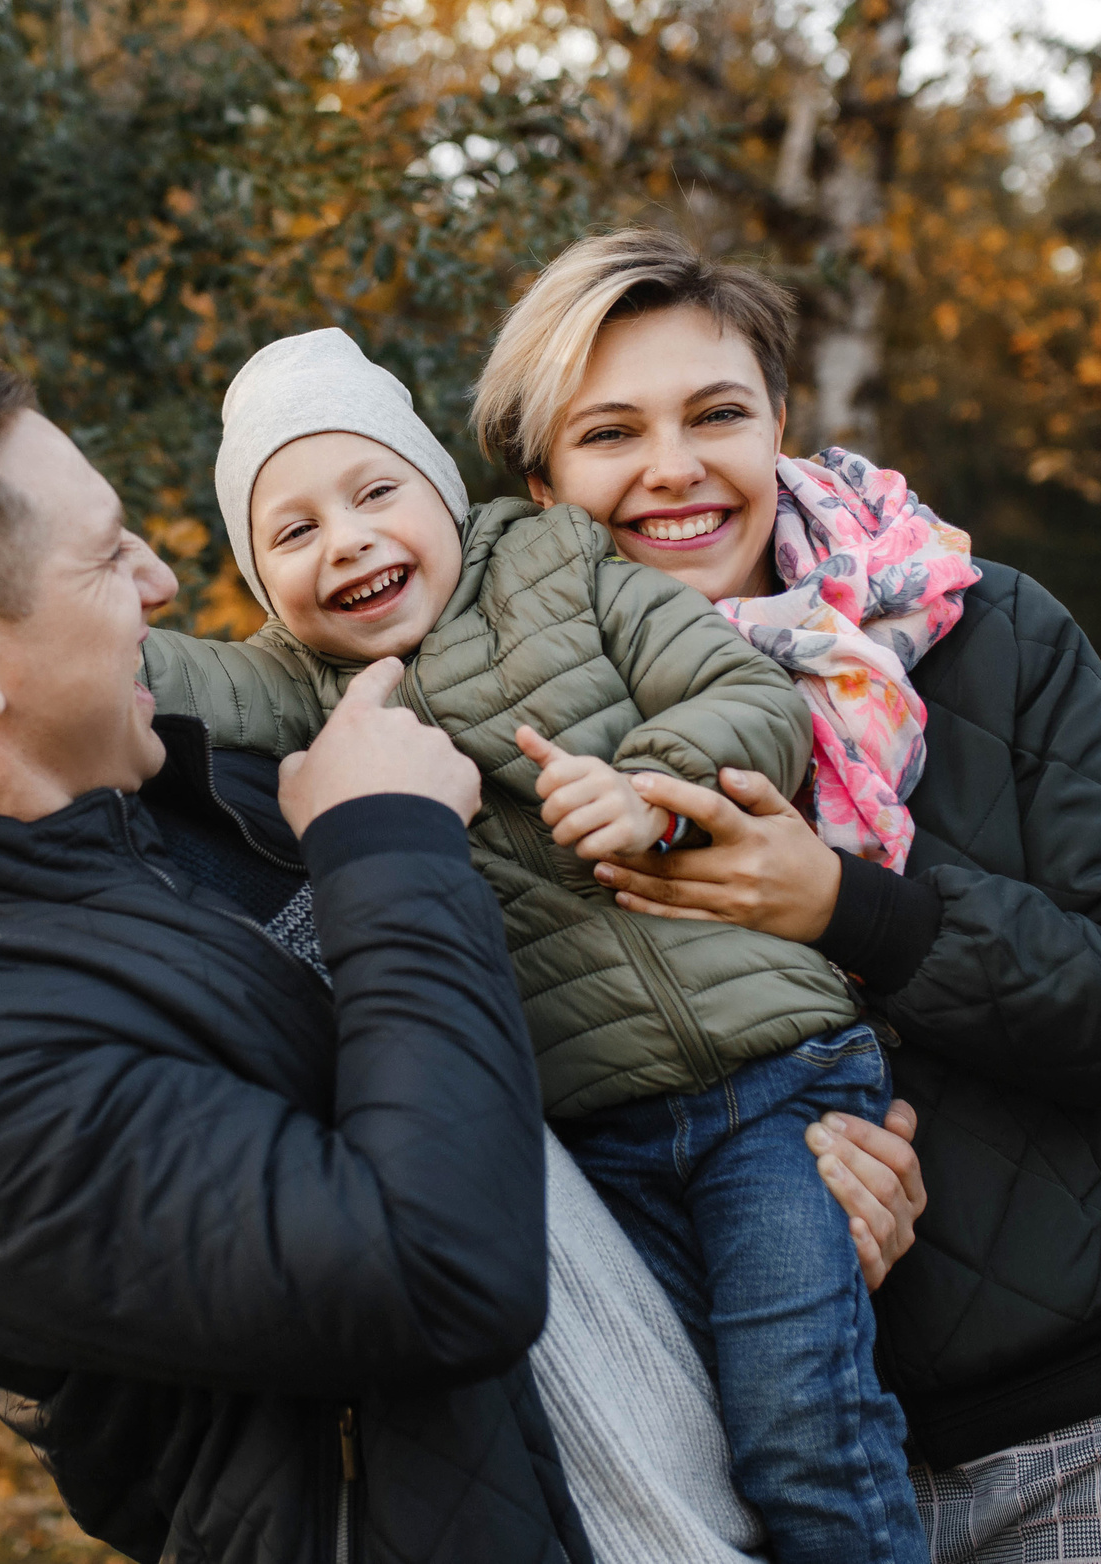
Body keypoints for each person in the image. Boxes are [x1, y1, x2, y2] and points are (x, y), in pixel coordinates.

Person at [0, 353, 931, 1564]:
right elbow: (432, 1278)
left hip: (734, 1492)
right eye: (105, 555)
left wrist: (786, 1207)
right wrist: (386, 846)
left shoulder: (204, 786)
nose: (160, 579)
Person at [472, 225, 1101, 1564]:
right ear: (543, 478)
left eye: (716, 413)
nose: (675, 468)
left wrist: (855, 910)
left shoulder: (981, 628)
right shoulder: (506, 740)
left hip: (1099, 1430)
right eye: (611, 433)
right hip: (743, 1482)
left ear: (780, 420)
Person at [140, 326, 931, 1563]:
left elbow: (751, 701)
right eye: (290, 532)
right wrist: (45, 613)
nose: (343, 538)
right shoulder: (308, 683)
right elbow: (167, 681)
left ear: (444, 494)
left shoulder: (562, 563)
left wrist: (650, 789)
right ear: (261, 576)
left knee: (798, 1426)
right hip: (599, 1128)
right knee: (687, 1443)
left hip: (772, 1082)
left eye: (373, 492)